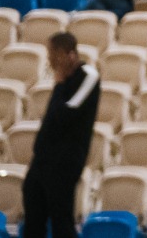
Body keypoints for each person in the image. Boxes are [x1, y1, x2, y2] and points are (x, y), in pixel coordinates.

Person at [23, 32, 99, 238]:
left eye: (53, 54)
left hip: (65, 161)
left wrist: (60, 83)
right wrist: (60, 83)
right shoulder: (62, 80)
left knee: (61, 221)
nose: (49, 60)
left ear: (70, 54)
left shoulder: (88, 76)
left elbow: (66, 114)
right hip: (43, 159)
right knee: (32, 217)